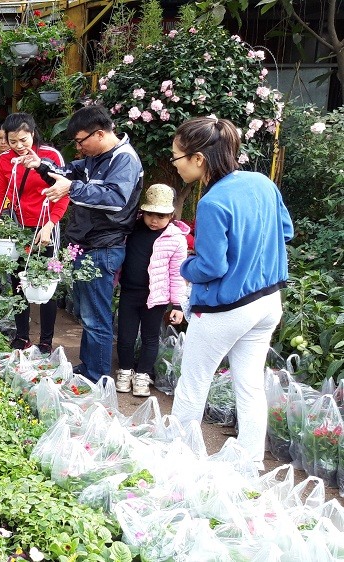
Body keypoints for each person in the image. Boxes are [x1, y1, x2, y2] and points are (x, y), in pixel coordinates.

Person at [168, 116, 293, 469]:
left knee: (193, 384)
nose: (174, 164)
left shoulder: (212, 202)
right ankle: (250, 463)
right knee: (250, 385)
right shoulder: (262, 183)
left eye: (177, 157)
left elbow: (211, 267)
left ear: (198, 159)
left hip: (227, 309)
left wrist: (185, 267)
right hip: (268, 301)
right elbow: (285, 231)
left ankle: (178, 461)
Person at [29, 104, 144, 382]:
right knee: (87, 313)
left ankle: (97, 377)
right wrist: (41, 166)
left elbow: (115, 200)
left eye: (81, 141)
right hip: (87, 243)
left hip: (104, 246)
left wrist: (73, 188)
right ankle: (88, 367)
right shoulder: (97, 157)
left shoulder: (124, 160)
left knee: (96, 317)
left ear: (100, 133)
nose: (79, 148)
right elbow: (67, 173)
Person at [0, 113, 68, 354]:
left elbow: (63, 193)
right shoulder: (4, 160)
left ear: (33, 133)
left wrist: (50, 224)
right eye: (12, 141)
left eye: (23, 140)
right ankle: (22, 336)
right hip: (19, 228)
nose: (18, 146)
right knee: (18, 281)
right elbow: (0, 192)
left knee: (45, 281)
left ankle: (46, 341)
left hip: (46, 226)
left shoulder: (50, 157)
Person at [115, 183, 189, 397]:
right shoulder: (132, 229)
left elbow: (177, 274)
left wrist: (178, 305)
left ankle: (142, 375)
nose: (154, 220)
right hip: (129, 292)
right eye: (150, 215)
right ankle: (125, 371)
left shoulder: (176, 239)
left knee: (150, 338)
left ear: (171, 216)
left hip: (156, 297)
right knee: (125, 336)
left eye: (161, 216)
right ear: (142, 212)